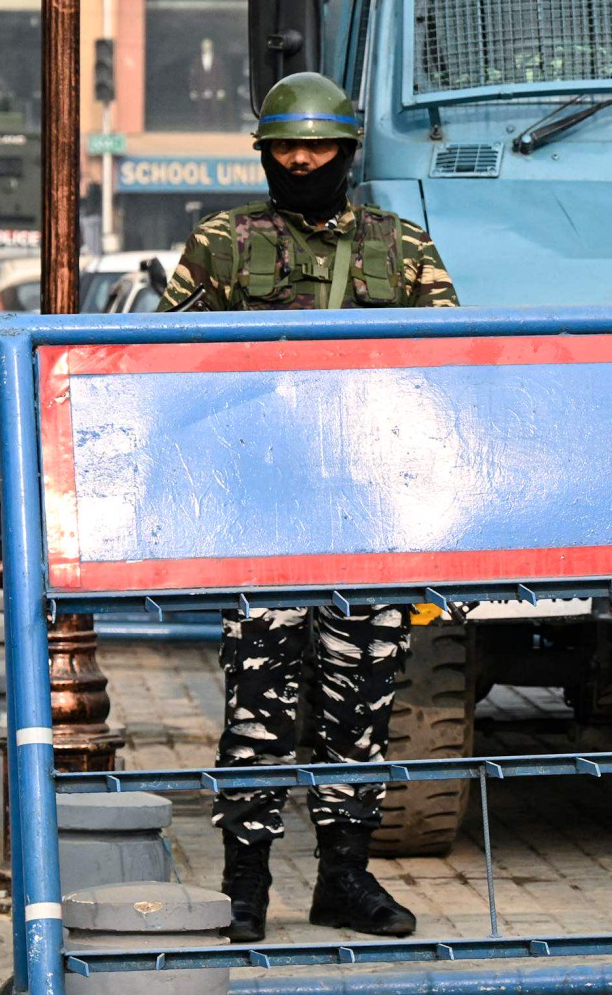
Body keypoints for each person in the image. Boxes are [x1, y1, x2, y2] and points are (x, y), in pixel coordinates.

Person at [161, 71, 458, 943]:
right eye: (286, 147)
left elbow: (449, 367)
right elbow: (159, 365)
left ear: (346, 151)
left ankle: (344, 880)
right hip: (262, 517)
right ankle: (244, 888)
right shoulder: (220, 244)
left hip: (364, 514)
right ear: (264, 152)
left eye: (317, 146)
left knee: (360, 706)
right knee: (255, 707)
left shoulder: (401, 247)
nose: (300, 160)